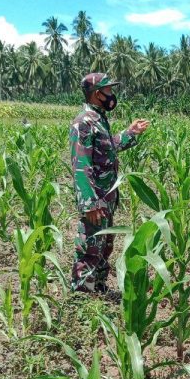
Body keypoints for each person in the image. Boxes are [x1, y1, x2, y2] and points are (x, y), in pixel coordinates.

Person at [69, 72, 149, 294]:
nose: (112, 95)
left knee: (104, 246)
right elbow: (81, 164)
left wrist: (130, 133)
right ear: (97, 94)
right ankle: (82, 296)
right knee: (90, 248)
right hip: (96, 199)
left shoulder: (98, 119)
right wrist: (90, 204)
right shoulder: (83, 123)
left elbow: (108, 148)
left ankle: (99, 288)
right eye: (109, 90)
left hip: (107, 197)